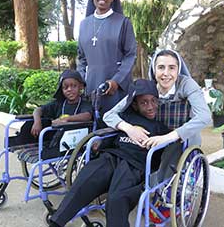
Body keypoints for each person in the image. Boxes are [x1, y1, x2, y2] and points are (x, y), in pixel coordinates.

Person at [49, 79, 170, 227]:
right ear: (134, 105)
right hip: (112, 155)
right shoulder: (126, 117)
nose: (150, 107)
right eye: (144, 102)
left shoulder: (161, 128)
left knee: (117, 198)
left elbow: (169, 148)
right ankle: (57, 221)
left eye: (153, 101)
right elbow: (109, 121)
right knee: (87, 178)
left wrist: (158, 142)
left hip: (134, 164)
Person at [103, 49, 212, 149]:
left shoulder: (187, 85)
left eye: (172, 67)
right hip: (153, 142)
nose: (166, 73)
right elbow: (109, 115)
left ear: (178, 70)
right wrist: (129, 129)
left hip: (182, 143)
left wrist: (168, 137)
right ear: (154, 70)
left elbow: (204, 116)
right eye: (161, 67)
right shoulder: (147, 88)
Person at [77, 0, 137, 115]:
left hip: (115, 87)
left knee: (113, 127)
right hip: (91, 86)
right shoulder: (84, 24)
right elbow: (81, 58)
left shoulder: (123, 22)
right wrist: (81, 80)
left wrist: (116, 81)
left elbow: (130, 55)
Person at [11, 69, 93, 159]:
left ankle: (47, 149)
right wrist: (37, 122)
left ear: (80, 86)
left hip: (71, 140)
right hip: (53, 138)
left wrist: (67, 119)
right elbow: (38, 110)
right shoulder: (59, 103)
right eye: (65, 87)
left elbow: (87, 115)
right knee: (32, 124)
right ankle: (21, 142)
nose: (69, 89)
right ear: (61, 89)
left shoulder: (84, 103)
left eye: (73, 86)